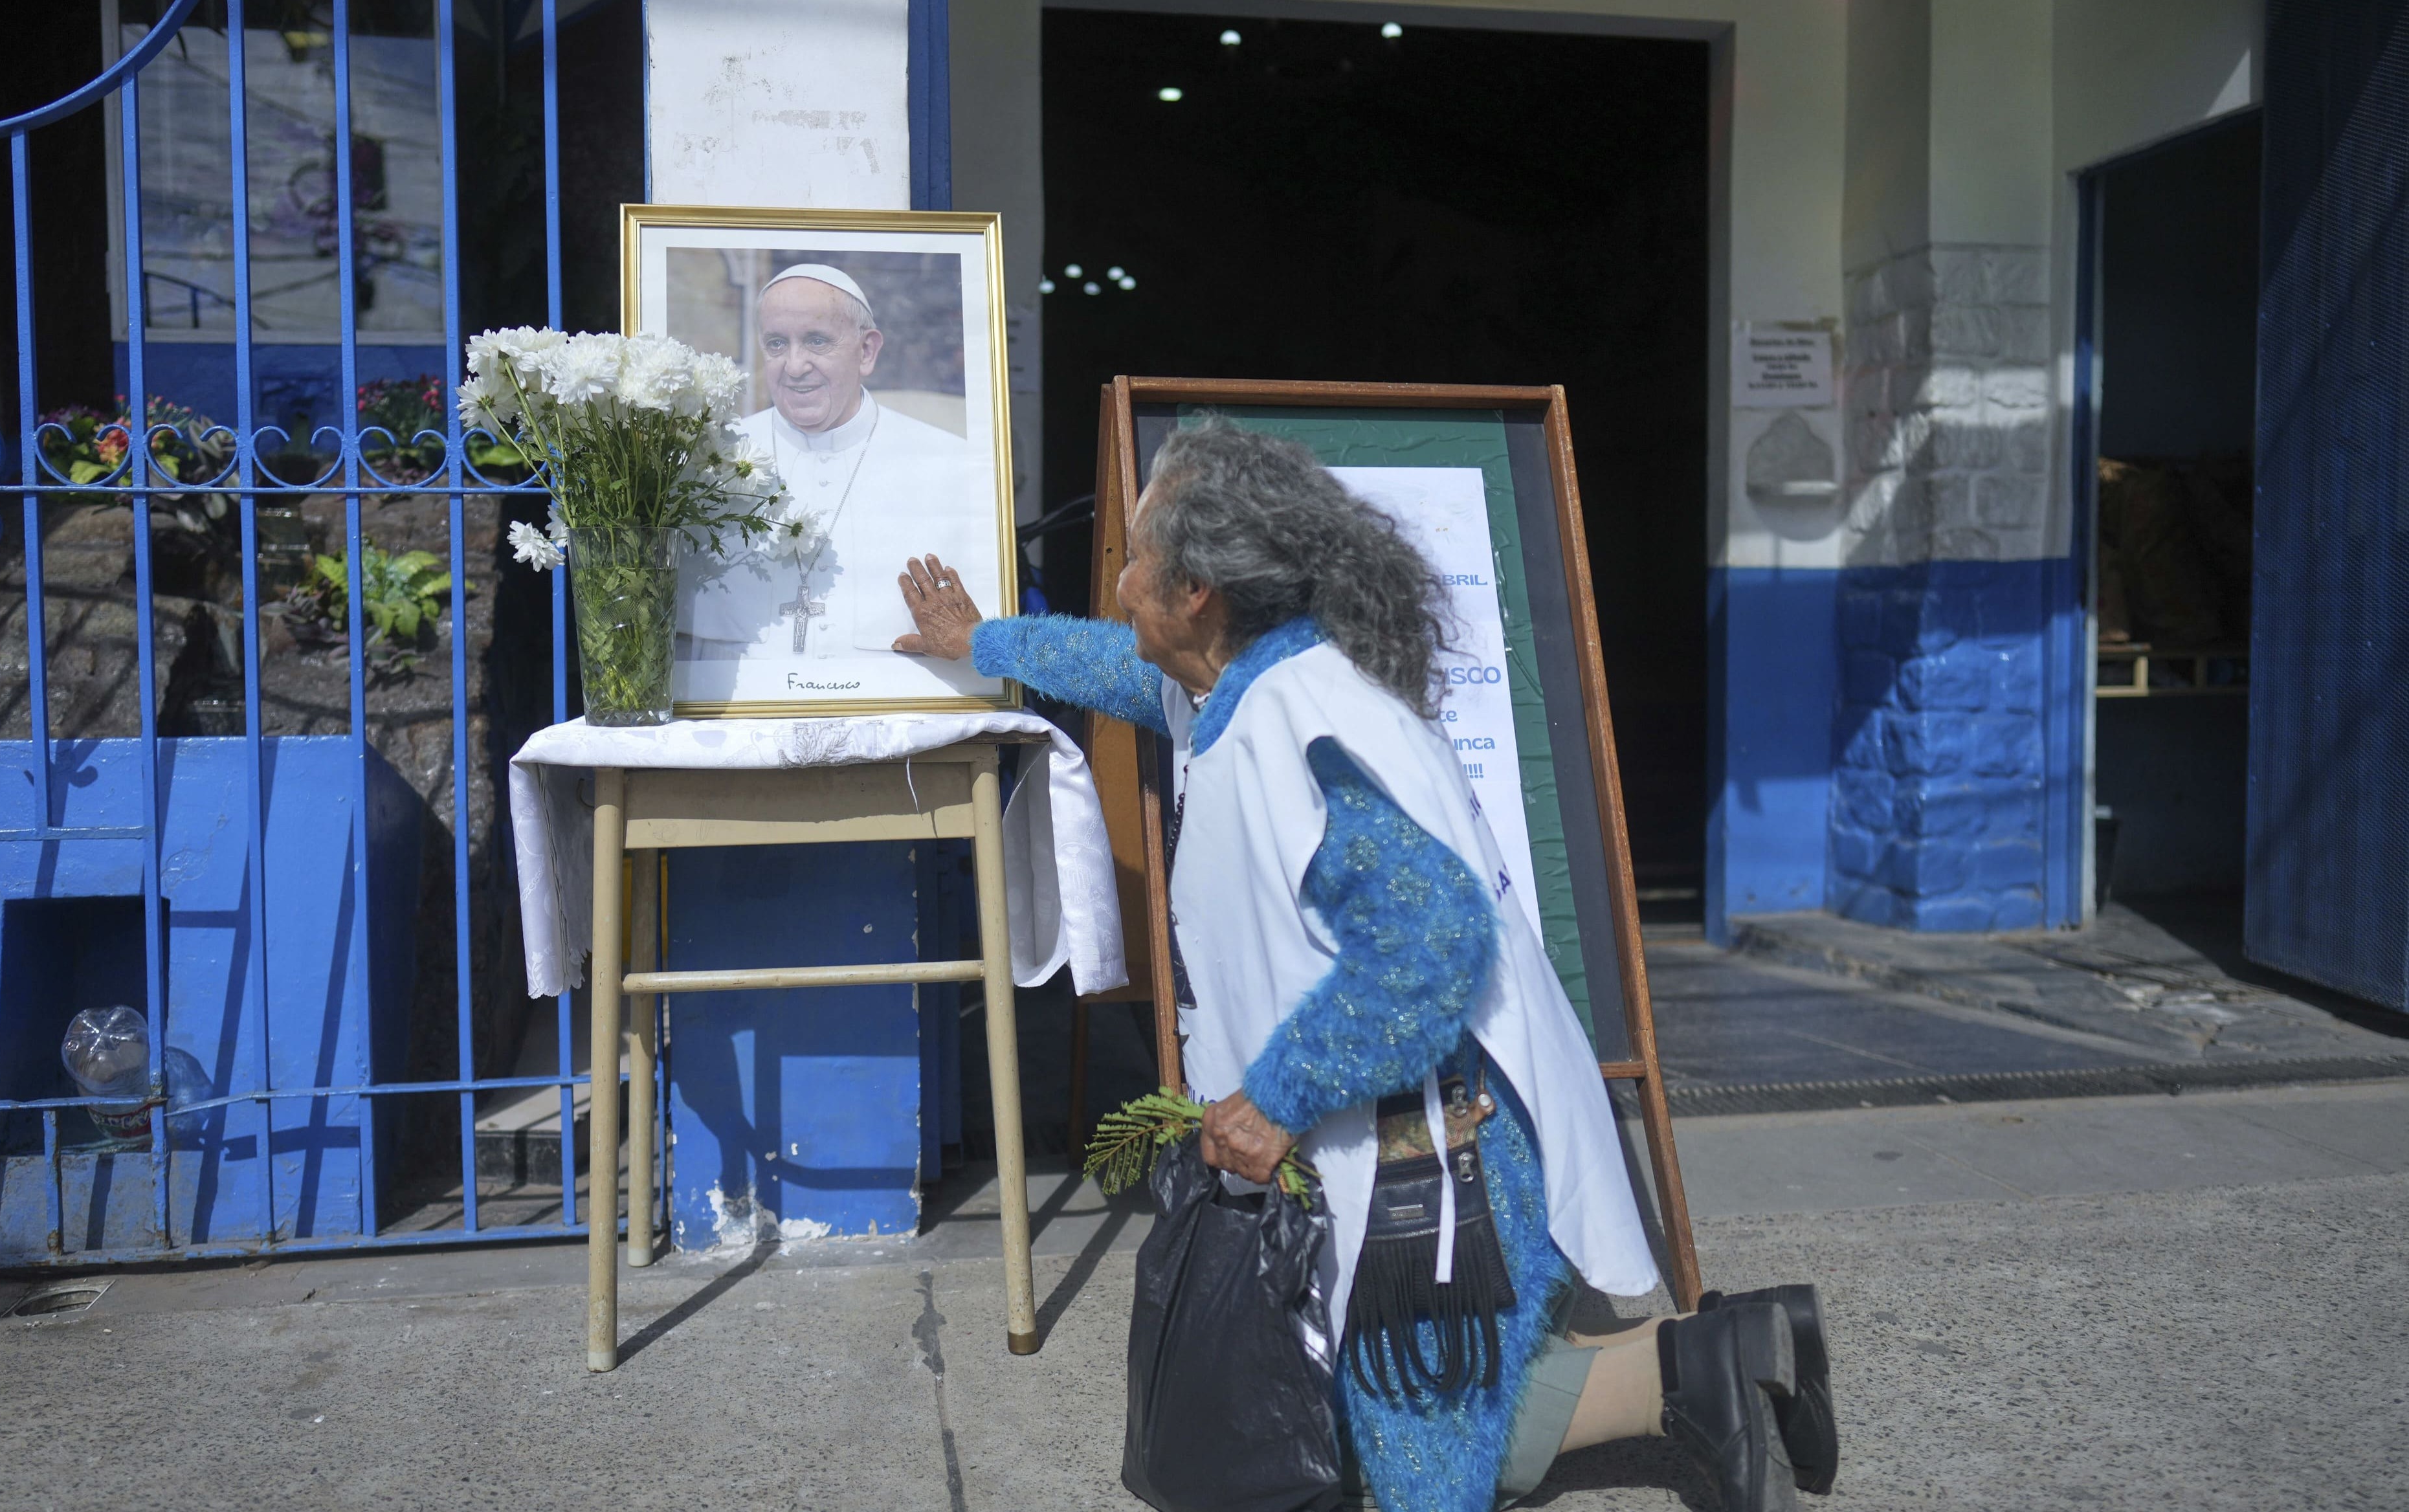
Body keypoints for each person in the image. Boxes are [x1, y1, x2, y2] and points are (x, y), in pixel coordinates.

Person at [894, 420, 1838, 1512]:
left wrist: (1275, 1098)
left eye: (1138, 557)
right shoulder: (1241, 672)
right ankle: (1726, 1350)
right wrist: (986, 643)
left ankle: (1704, 1366)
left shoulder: (1308, 720)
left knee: (1423, 1463)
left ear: (1197, 590)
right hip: (1405, 1127)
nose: (1120, 574)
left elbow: (1429, 948)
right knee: (1378, 1424)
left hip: (1435, 1157)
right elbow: (1120, 666)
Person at [678, 263, 980, 661]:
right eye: (776, 344)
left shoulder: (950, 463)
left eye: (817, 341)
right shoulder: (708, 460)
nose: (795, 366)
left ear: (867, 351)